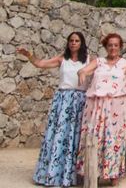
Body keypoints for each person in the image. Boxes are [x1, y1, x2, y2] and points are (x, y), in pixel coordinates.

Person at [17, 32, 90, 187]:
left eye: (77, 41)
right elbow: (40, 64)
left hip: (80, 101)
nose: (74, 43)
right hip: (63, 101)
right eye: (71, 40)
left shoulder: (89, 60)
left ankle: (75, 176)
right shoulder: (62, 59)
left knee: (76, 138)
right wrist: (29, 55)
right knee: (59, 136)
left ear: (82, 43)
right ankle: (54, 174)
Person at [76, 33, 126, 186]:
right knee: (94, 136)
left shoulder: (124, 63)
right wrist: (83, 73)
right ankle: (92, 172)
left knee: (114, 138)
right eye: (110, 45)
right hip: (96, 106)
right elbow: (83, 71)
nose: (113, 48)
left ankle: (113, 174)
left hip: (116, 107)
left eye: (116, 45)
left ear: (120, 47)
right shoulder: (99, 61)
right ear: (106, 47)